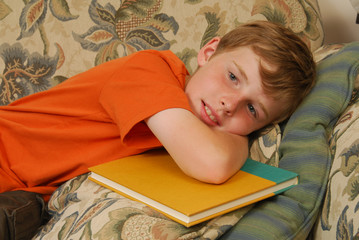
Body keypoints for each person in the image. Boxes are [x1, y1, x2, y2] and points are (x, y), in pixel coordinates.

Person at [0, 21, 316, 201]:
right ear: (208, 53)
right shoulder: (148, 69)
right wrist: (236, 139)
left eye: (252, 109)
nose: (228, 105)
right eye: (232, 77)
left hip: (20, 195)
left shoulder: (186, 132)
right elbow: (212, 163)